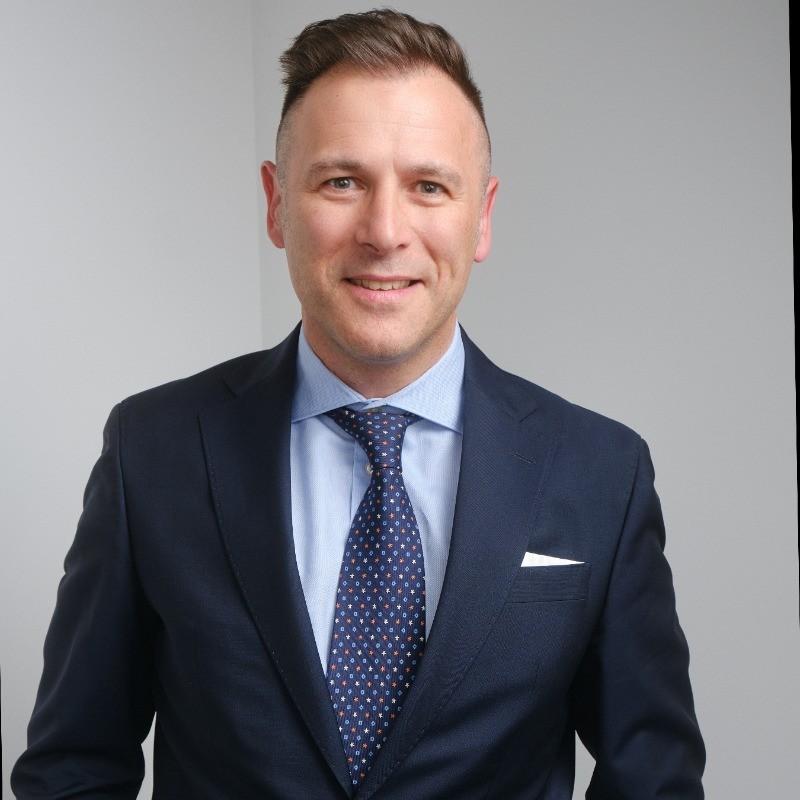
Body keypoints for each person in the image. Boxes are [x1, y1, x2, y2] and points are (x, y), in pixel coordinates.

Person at [12, 9, 704, 798]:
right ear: (276, 203)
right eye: (342, 181)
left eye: (429, 187)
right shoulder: (155, 450)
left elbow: (654, 782)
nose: (384, 231)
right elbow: (72, 770)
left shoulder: (600, 475)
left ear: (481, 215)